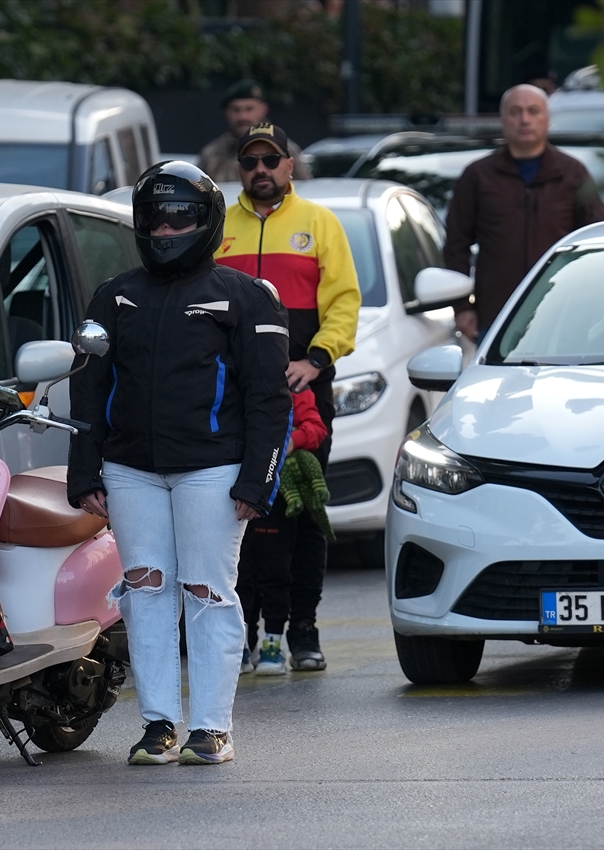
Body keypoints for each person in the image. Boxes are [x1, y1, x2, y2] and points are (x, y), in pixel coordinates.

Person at [67, 160, 292, 766]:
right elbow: (87, 391)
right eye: (154, 219)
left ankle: (212, 729)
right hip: (129, 469)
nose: (166, 230)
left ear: (208, 222)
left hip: (214, 472)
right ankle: (158, 725)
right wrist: (84, 472)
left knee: (208, 591)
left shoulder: (247, 298)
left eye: (181, 218)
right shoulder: (113, 297)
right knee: (145, 593)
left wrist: (258, 479)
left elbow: (271, 400)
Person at [217, 121, 361, 672]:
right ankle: (245, 630)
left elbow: (345, 303)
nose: (261, 170)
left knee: (303, 510)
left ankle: (303, 628)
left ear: (289, 167)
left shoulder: (319, 224)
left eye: (270, 160)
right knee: (234, 511)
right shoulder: (218, 227)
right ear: (239, 168)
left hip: (302, 392)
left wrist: (316, 359)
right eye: (251, 161)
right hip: (233, 397)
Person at [445, 83, 604, 342]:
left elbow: (597, 242)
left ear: (547, 119)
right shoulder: (478, 176)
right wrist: (462, 307)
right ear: (502, 119)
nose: (525, 120)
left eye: (533, 111)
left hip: (562, 314)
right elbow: (456, 245)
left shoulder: (572, 174)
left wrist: (591, 304)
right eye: (515, 112)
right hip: (498, 317)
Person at [237, 386, 327, 676]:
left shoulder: (293, 386)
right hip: (234, 488)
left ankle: (274, 644)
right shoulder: (229, 376)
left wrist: (289, 441)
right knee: (239, 575)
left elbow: (316, 428)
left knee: (275, 574)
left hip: (276, 497)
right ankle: (240, 643)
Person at [197, 79, 312, 183]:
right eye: (235, 110)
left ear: (264, 110)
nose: (242, 117)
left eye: (249, 109)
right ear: (226, 113)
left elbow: (306, 191)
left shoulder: (286, 150)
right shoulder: (212, 155)